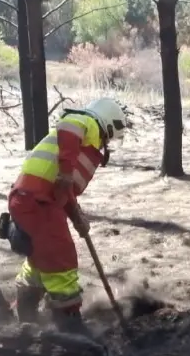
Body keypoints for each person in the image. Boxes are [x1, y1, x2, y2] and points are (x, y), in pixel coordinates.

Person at [8, 97, 127, 333]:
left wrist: (77, 218)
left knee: (41, 256)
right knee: (61, 259)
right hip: (39, 203)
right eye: (109, 138)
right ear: (108, 124)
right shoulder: (87, 122)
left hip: (29, 200)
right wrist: (64, 172)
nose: (105, 144)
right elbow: (69, 127)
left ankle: (26, 315)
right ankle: (69, 323)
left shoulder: (75, 147)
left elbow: (64, 192)